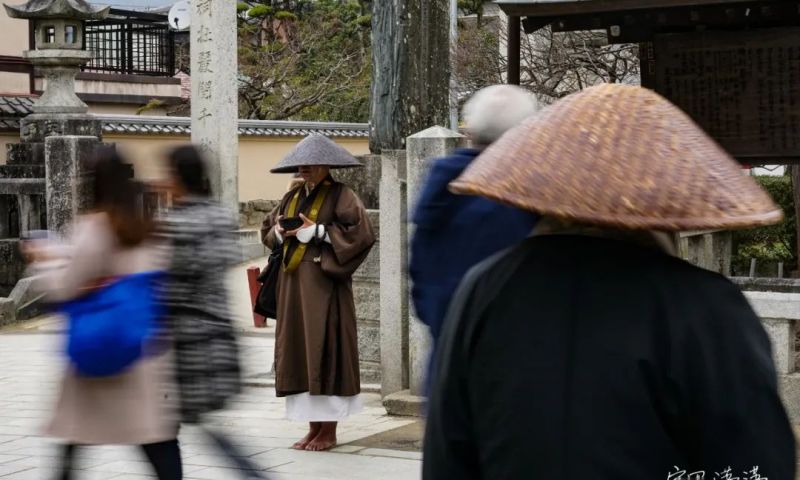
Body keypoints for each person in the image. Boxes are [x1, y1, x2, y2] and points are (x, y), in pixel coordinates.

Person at [423, 84, 796, 480]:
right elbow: (754, 461)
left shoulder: (483, 287)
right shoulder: (706, 305)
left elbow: (448, 452)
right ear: (666, 193)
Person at [27, 147, 182, 480]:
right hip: (140, 346)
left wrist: (46, 260)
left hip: (99, 345)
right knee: (154, 437)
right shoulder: (149, 229)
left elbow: (66, 286)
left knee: (76, 434)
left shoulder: (95, 228)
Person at [409, 84, 539, 390]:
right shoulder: (526, 195)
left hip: (446, 356)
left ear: (470, 133)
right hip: (514, 365)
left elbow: (420, 277)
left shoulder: (442, 184)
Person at [261, 134, 375, 452]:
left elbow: (362, 234)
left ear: (326, 165)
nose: (304, 169)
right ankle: (312, 427)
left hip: (324, 288)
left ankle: (329, 430)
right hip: (292, 286)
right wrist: (280, 233)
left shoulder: (342, 195)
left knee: (326, 351)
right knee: (298, 352)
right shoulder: (293, 196)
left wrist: (321, 232)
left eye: (310, 164)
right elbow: (267, 229)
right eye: (301, 164)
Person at [158, 145, 242, 425]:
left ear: (177, 177)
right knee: (205, 428)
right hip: (219, 332)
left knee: (169, 428)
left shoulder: (177, 223)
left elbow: (166, 284)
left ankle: (252, 473)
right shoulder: (220, 216)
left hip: (187, 342)